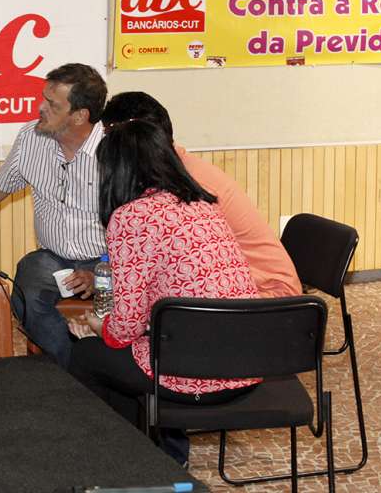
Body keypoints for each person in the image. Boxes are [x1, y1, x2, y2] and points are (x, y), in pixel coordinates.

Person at [67, 120, 260, 466]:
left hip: (193, 375)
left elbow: (125, 326)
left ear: (117, 171)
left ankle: (117, 461)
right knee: (124, 352)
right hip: (246, 363)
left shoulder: (131, 217)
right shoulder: (205, 205)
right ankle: (160, 455)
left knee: (88, 355)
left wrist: (98, 326)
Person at [100, 91, 301, 299]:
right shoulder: (176, 174)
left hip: (268, 297)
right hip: (240, 295)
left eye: (108, 137)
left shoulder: (186, 185)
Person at [0, 63, 107, 368]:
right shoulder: (31, 138)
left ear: (80, 116)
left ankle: (88, 367)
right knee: (26, 284)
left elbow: (139, 231)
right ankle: (71, 370)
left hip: (111, 260)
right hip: (54, 259)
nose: (41, 108)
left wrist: (103, 273)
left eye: (52, 104)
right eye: (43, 98)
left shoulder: (115, 149)